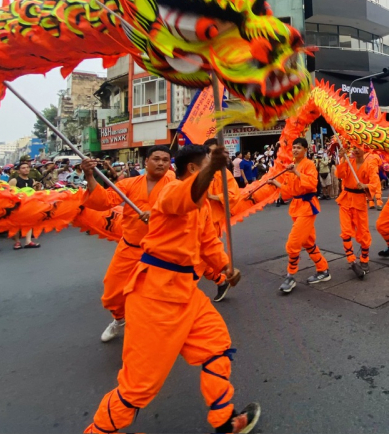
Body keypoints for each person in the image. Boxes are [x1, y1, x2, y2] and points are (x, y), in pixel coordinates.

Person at [84, 144, 259, 434]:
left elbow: (208, 243)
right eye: (208, 166)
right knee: (140, 386)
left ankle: (225, 420)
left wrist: (226, 268)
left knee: (217, 346)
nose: (216, 174)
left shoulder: (198, 202)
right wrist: (213, 169)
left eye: (166, 158)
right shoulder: (173, 191)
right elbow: (187, 197)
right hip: (156, 295)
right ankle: (100, 431)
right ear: (193, 169)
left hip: (187, 293)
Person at [82, 146, 175, 343]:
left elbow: (187, 209)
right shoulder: (128, 183)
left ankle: (154, 333)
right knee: (112, 292)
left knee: (157, 297)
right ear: (146, 161)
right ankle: (119, 319)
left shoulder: (176, 184)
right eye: (156, 159)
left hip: (161, 251)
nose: (160, 163)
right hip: (130, 247)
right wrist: (89, 175)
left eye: (165, 160)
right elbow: (103, 201)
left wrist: (158, 213)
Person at [268, 138, 330, 294]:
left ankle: (290, 276)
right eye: (293, 147)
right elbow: (289, 192)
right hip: (296, 207)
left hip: (307, 208)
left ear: (305, 149)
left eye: (298, 147)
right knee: (308, 242)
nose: (295, 150)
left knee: (293, 244)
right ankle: (323, 270)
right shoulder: (292, 166)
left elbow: (311, 184)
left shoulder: (308, 164)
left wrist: (295, 171)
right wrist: (276, 183)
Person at [202, 138, 241, 301]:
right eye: (211, 152)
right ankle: (221, 280)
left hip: (212, 221)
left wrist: (213, 196)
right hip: (196, 220)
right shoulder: (200, 169)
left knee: (198, 260)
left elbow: (234, 195)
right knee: (201, 258)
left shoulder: (224, 173)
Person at [335, 145, 380, 278]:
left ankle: (364, 259)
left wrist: (366, 186)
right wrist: (342, 158)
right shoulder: (349, 162)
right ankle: (351, 259)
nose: (355, 150)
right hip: (345, 199)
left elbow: (375, 183)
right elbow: (340, 175)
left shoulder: (370, 165)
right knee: (346, 231)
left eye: (358, 147)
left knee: (363, 232)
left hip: (359, 201)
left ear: (365, 149)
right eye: (353, 147)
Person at [8, 162, 41, 249]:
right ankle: (17, 242)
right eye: (23, 168)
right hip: (16, 205)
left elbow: (34, 193)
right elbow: (8, 193)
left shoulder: (31, 180)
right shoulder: (14, 181)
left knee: (29, 222)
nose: (26, 169)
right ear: (18, 171)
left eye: (27, 167)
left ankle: (28, 241)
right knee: (16, 224)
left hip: (28, 205)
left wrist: (37, 188)